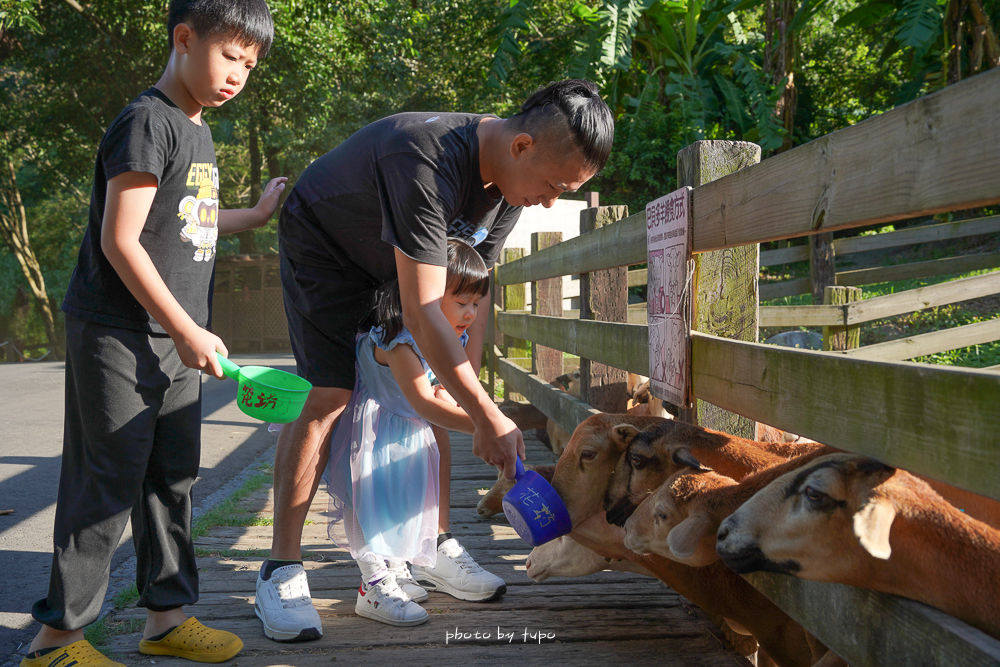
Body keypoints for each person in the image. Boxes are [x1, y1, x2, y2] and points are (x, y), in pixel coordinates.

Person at [256, 79, 614, 642]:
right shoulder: (422, 157)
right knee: (329, 395)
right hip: (326, 248)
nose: (549, 202)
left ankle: (433, 545)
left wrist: (468, 393)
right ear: (522, 146)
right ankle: (281, 568)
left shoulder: (508, 190)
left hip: (403, 268)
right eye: (551, 186)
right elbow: (424, 313)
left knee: (438, 401)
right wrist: (484, 414)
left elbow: (471, 292)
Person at [22, 2, 283, 666]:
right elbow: (121, 238)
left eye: (249, 66)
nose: (237, 76)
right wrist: (188, 327)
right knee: (106, 478)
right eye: (230, 56)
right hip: (117, 331)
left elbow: (185, 216)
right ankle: (57, 640)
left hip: (171, 337)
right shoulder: (146, 122)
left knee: (172, 476)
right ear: (184, 38)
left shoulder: (196, 129)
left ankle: (166, 619)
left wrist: (249, 215)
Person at [317, 238, 490, 629]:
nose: (470, 313)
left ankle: (397, 568)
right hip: (372, 431)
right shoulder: (396, 340)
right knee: (365, 501)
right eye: (461, 302)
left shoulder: (451, 338)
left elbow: (444, 388)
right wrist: (485, 426)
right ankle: (373, 580)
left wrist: (459, 396)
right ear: (426, 294)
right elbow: (426, 402)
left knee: (402, 498)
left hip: (407, 430)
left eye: (476, 305)